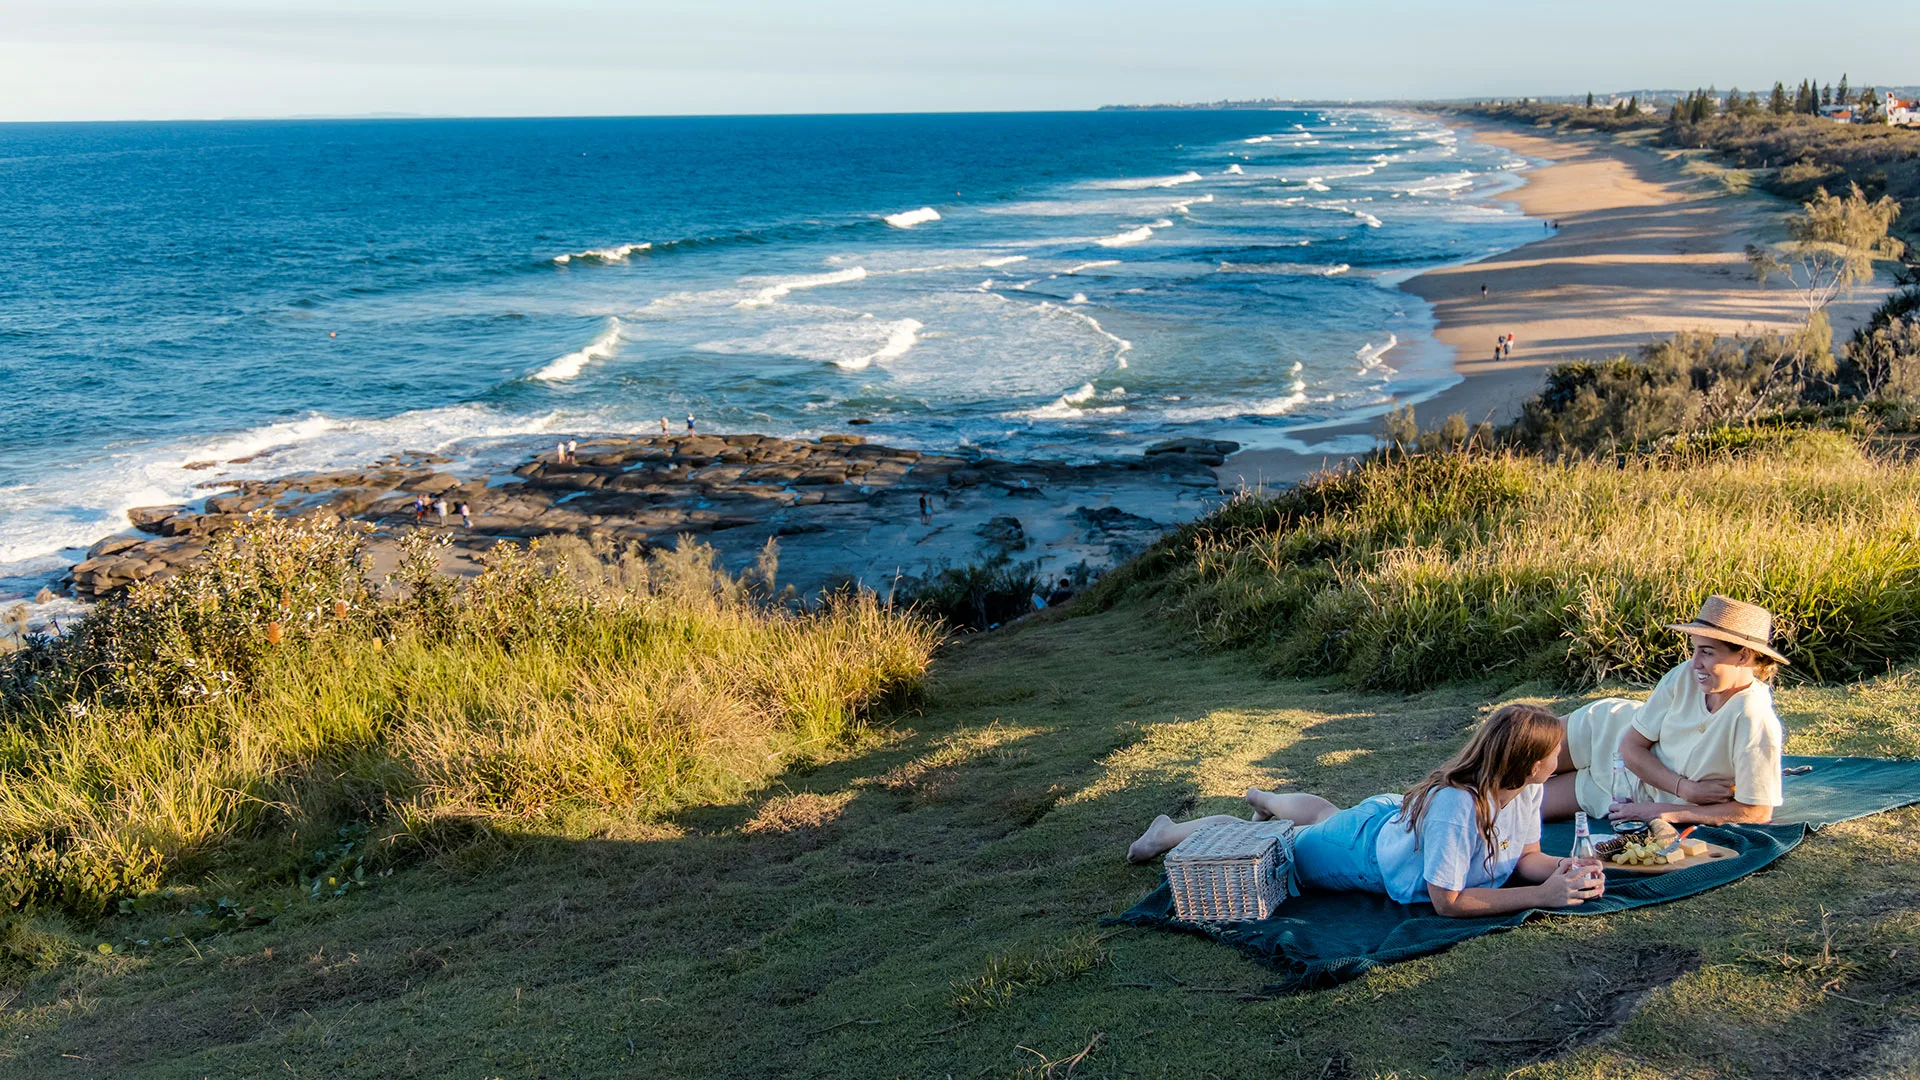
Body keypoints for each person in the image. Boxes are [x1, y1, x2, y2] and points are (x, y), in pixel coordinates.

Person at [1126, 705, 1603, 917]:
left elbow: (1526, 857)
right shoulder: (1458, 808)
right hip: (1362, 848)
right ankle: (1170, 831)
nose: (1560, 756)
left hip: (1390, 823)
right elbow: (1448, 902)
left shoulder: (1525, 788)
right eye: (1554, 750)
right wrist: (1542, 897)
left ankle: (1265, 799)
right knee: (1272, 847)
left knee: (1324, 814)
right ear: (1526, 760)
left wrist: (1561, 870)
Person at [1545, 596, 1787, 827]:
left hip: (1623, 792)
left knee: (1512, 807)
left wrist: (1667, 812)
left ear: (1743, 656)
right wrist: (1686, 790)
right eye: (1695, 650)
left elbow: (1757, 812)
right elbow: (1629, 746)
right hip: (1603, 733)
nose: (1695, 662)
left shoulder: (1754, 718)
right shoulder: (1685, 675)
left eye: (1707, 652)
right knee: (1512, 758)